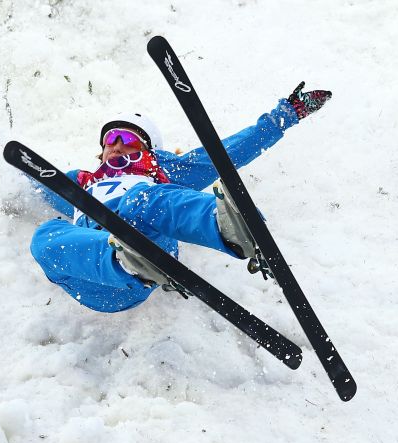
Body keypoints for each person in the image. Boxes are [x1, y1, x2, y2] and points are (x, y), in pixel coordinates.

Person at [30, 82, 332, 312]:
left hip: (146, 254)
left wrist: (286, 115)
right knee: (45, 234)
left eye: (130, 140)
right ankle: (121, 258)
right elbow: (33, 184)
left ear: (149, 150)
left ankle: (227, 227)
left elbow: (224, 153)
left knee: (140, 198)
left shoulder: (160, 170)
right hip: (92, 281)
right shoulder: (78, 184)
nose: (118, 146)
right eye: (112, 139)